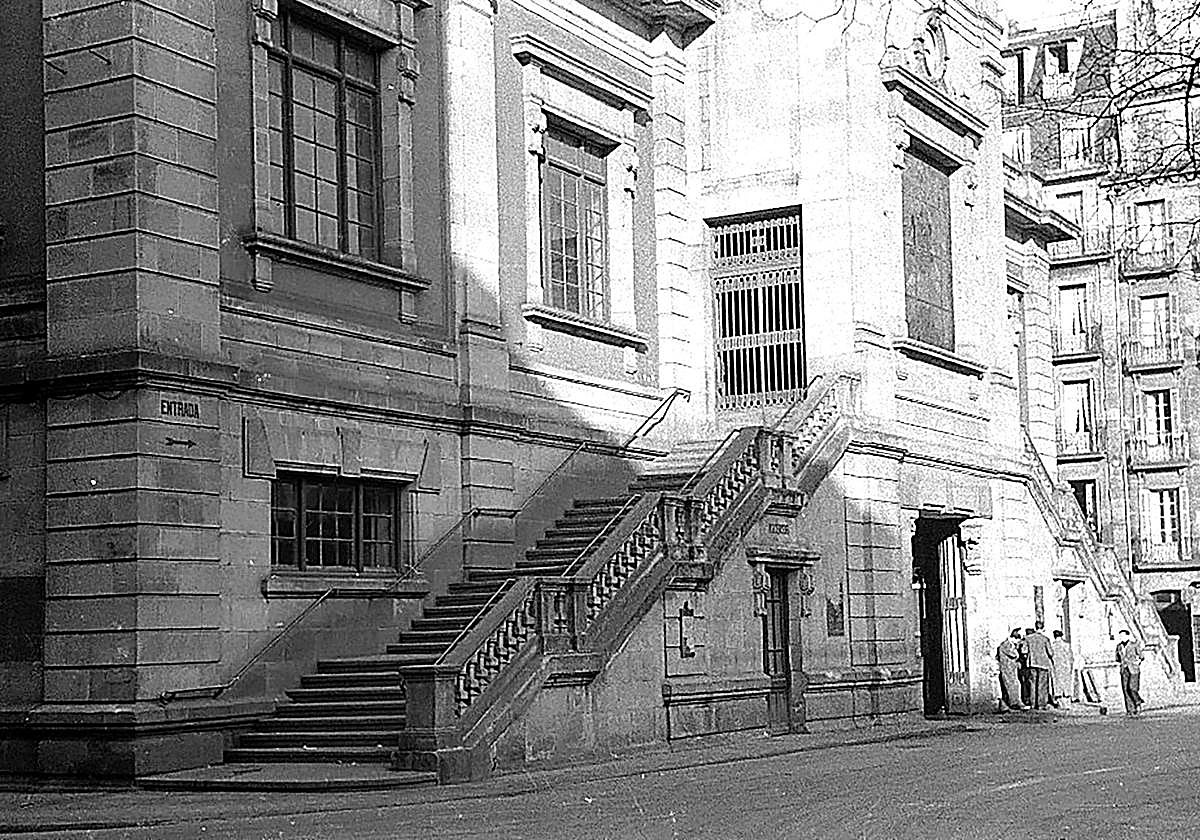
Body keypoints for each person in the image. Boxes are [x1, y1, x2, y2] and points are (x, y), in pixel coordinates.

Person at [1023, 623, 1054, 710]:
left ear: (1035, 627)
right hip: (1043, 664)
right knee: (1042, 684)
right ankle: (1041, 704)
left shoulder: (1028, 638)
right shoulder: (1045, 639)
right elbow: (1051, 653)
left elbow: (1024, 651)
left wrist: (1029, 657)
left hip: (1032, 663)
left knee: (1032, 684)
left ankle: (1033, 704)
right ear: (1043, 629)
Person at [1116, 629, 1145, 716]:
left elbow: (1142, 656)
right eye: (1120, 636)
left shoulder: (1134, 645)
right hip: (1124, 669)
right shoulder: (1119, 646)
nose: (1122, 638)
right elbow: (1117, 658)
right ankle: (1130, 710)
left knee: (1132, 688)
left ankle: (1138, 702)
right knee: (1125, 689)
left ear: (1128, 636)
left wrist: (1138, 662)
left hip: (1134, 669)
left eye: (1123, 636)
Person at [997, 628, 1026, 710]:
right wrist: (1016, 648)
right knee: (1012, 685)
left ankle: (1016, 701)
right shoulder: (1006, 645)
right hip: (1007, 668)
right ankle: (1014, 702)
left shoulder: (1009, 645)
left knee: (1015, 684)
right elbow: (1014, 655)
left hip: (1011, 669)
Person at [1051, 630, 1074, 705]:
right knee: (1066, 682)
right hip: (1065, 666)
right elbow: (1070, 657)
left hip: (1056, 666)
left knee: (1057, 682)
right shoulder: (1066, 645)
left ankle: (1059, 700)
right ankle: (1067, 700)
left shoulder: (1052, 645)